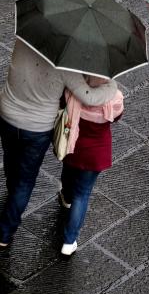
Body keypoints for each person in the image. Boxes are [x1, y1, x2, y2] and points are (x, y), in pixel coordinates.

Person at [0, 39, 118, 247]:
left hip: (7, 114)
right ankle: (4, 232)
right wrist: (112, 88)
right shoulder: (65, 65)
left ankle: (12, 194)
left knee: (10, 159)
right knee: (24, 183)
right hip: (37, 128)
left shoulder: (22, 43)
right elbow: (88, 97)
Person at [58, 76, 123, 256]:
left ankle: (65, 196)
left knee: (68, 171)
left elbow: (62, 104)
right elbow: (116, 117)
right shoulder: (115, 97)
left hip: (73, 145)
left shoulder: (73, 90)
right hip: (95, 154)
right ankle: (69, 241)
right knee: (83, 194)